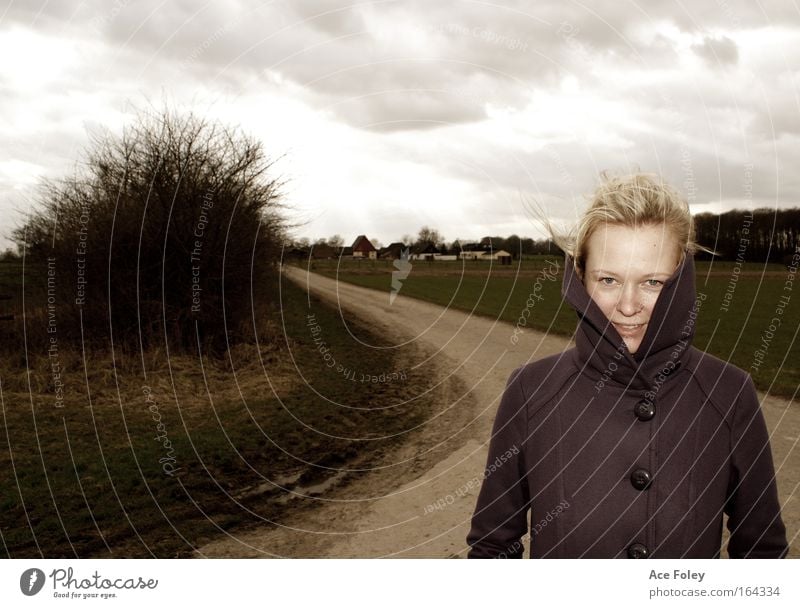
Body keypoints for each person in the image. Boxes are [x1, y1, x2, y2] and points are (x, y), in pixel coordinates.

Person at [466, 172, 788, 558]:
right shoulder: (530, 390)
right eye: (608, 280)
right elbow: (492, 545)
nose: (629, 305)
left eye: (652, 282)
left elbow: (762, 553)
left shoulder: (729, 392)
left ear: (680, 281)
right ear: (580, 278)